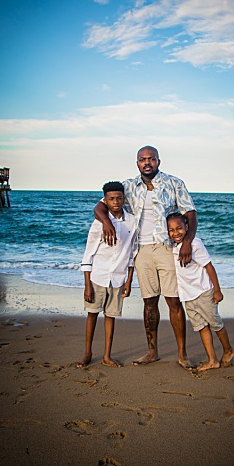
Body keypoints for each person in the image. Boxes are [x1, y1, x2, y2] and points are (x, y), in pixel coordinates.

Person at [94, 145, 196, 368]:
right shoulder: (128, 186)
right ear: (137, 163)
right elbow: (100, 206)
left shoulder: (174, 183)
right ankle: (152, 352)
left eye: (151, 159)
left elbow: (190, 213)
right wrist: (106, 222)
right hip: (141, 251)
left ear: (158, 161)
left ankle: (182, 354)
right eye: (142, 159)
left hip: (166, 248)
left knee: (174, 301)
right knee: (149, 302)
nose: (147, 162)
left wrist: (187, 242)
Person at [78, 181, 138, 368]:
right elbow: (88, 254)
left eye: (119, 198)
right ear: (105, 200)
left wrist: (129, 281)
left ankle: (106, 356)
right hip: (98, 276)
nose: (115, 202)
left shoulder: (131, 222)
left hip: (118, 278)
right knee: (92, 314)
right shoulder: (99, 223)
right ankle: (87, 353)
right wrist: (87, 285)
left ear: (124, 198)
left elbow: (131, 253)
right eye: (111, 199)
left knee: (111, 316)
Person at [166, 213, 234, 372]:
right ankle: (212, 360)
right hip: (188, 296)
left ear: (187, 227)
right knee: (201, 327)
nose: (176, 233)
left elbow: (209, 266)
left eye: (179, 228)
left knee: (215, 324)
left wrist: (217, 290)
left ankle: (228, 350)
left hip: (203, 292)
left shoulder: (195, 244)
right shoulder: (173, 247)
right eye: (171, 230)